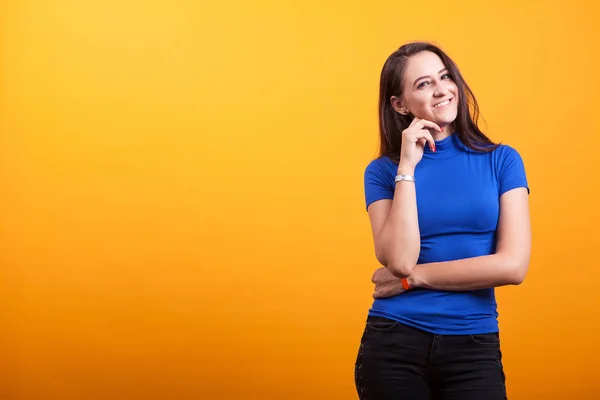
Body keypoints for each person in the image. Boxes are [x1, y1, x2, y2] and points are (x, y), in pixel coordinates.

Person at [354, 41, 531, 400]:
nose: (441, 90)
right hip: (394, 342)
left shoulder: (503, 161)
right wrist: (407, 168)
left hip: (473, 344)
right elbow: (400, 261)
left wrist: (413, 279)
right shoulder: (382, 172)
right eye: (423, 84)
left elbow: (513, 266)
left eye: (445, 76)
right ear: (399, 104)